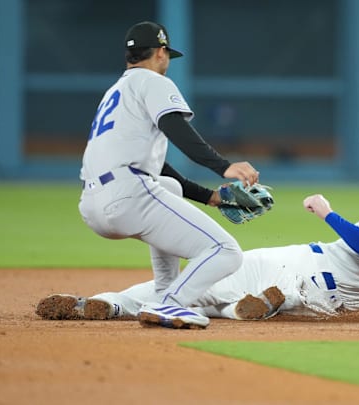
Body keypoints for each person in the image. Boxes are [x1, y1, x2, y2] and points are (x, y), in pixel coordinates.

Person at [38, 156, 359, 324]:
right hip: (324, 299)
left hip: (302, 268)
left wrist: (329, 213)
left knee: (199, 280)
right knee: (212, 296)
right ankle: (254, 308)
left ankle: (107, 304)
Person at [36, 21, 261, 330]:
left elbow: (156, 167)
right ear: (159, 52)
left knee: (167, 185)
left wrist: (210, 197)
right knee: (226, 252)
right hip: (129, 194)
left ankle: (162, 291)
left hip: (93, 203)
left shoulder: (116, 92)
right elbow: (177, 129)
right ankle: (173, 303)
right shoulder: (152, 82)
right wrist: (223, 166)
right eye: (167, 55)